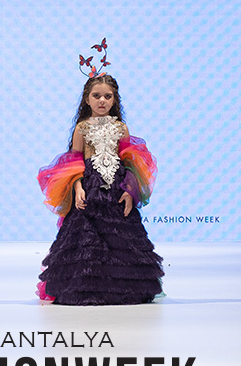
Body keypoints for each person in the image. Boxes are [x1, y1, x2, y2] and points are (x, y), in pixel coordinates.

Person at [36, 68, 163, 305]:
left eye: (107, 96)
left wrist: (130, 190)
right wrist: (77, 187)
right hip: (90, 186)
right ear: (87, 99)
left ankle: (123, 288)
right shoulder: (82, 127)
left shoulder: (120, 128)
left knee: (120, 236)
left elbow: (130, 161)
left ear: (115, 100)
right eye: (96, 96)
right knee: (86, 236)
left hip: (116, 187)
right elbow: (74, 161)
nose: (102, 101)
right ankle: (85, 287)